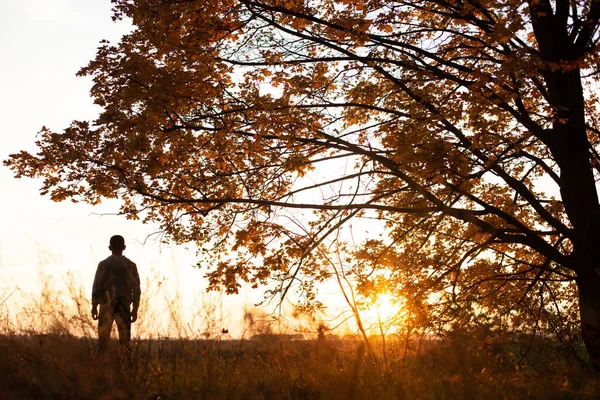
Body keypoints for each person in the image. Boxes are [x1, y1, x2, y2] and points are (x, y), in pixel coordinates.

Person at [91, 235, 141, 354]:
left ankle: (99, 369)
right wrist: (135, 308)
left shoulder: (103, 265)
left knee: (102, 343)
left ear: (109, 248)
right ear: (124, 247)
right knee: (125, 343)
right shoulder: (131, 266)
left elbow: (96, 286)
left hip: (106, 306)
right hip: (123, 306)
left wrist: (94, 306)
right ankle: (126, 370)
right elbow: (136, 289)